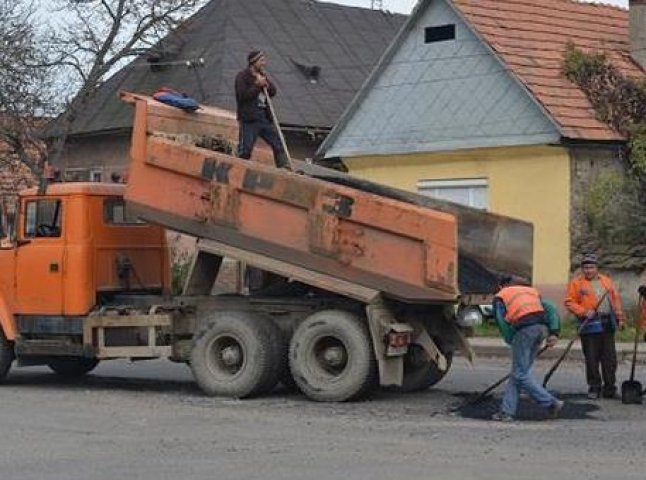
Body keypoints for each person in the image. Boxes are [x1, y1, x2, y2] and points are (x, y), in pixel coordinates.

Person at [491, 276, 563, 422]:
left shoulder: (501, 296)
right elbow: (550, 308)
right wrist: (554, 332)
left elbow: (501, 321)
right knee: (519, 372)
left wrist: (511, 340)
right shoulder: (531, 292)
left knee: (520, 374)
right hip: (541, 328)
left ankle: (550, 402)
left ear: (500, 286)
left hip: (525, 330)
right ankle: (506, 411)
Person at [564, 253, 625, 399]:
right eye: (586, 267)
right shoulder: (576, 283)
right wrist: (584, 312)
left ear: (597, 268)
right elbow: (569, 302)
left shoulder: (607, 281)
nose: (589, 270)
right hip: (589, 325)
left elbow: (615, 301)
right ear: (582, 269)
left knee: (610, 359)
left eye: (591, 267)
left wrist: (620, 318)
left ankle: (610, 388)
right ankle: (594, 387)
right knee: (591, 358)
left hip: (607, 324)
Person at [234, 50, 289, 169]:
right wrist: (256, 86)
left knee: (278, 142)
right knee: (246, 149)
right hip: (249, 119)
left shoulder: (263, 76)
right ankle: (239, 168)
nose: (264, 63)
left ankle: (284, 167)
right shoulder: (242, 77)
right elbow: (242, 96)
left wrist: (266, 85)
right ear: (254, 62)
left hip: (263, 117)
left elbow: (273, 92)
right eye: (261, 60)